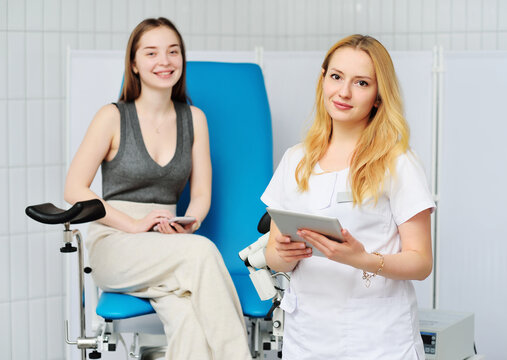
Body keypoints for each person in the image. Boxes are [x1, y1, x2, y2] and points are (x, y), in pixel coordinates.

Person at [64, 17, 251, 360]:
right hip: (115, 239)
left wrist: (188, 221)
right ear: (133, 64)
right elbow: (74, 189)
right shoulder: (112, 116)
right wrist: (134, 224)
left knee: (190, 321)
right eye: (151, 53)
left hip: (167, 239)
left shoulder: (194, 119)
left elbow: (200, 196)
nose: (164, 61)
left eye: (173, 52)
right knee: (201, 252)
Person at [262, 34, 435, 360]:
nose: (343, 92)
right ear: (323, 79)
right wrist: (286, 253)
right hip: (307, 338)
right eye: (336, 77)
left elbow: (421, 262)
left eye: (361, 83)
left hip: (377, 340)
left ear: (378, 96)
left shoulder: (398, 163)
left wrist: (361, 259)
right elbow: (274, 256)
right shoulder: (295, 160)